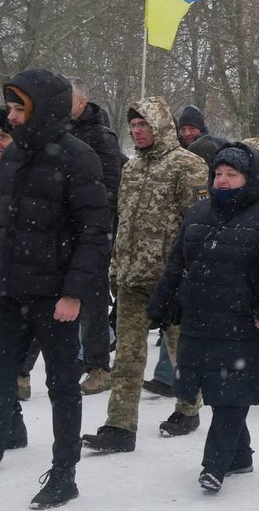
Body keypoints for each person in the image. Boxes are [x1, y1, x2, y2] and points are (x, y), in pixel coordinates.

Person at [147, 143, 259, 492]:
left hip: (246, 323)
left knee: (231, 394)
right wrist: (160, 305)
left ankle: (214, 465)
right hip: (201, 318)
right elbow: (177, 264)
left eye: (232, 174)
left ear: (250, 178)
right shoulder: (197, 213)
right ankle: (239, 456)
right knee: (217, 390)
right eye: (219, 174)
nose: (223, 181)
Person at [0, 69, 112, 509]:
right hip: (9, 291)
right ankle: (11, 430)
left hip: (56, 297)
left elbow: (95, 230)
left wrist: (74, 293)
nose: (9, 116)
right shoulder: (11, 157)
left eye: (17, 108)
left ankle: (64, 472)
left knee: (63, 386)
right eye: (9, 107)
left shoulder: (78, 156)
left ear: (41, 109)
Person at [83, 97, 208, 453]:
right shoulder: (132, 168)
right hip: (131, 279)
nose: (137, 132)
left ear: (160, 127)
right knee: (127, 356)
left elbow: (197, 226)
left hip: (170, 280)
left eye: (144, 126)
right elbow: (122, 221)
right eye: (134, 126)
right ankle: (120, 426)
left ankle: (188, 407)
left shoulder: (189, 166)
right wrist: (116, 266)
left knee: (180, 350)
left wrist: (186, 276)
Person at [67, 77, 124, 396]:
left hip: (92, 232)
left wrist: (99, 228)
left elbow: (111, 187)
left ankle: (98, 366)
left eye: (69, 99)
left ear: (83, 101)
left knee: (92, 301)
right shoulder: (57, 131)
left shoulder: (101, 137)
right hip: (61, 231)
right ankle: (23, 369)